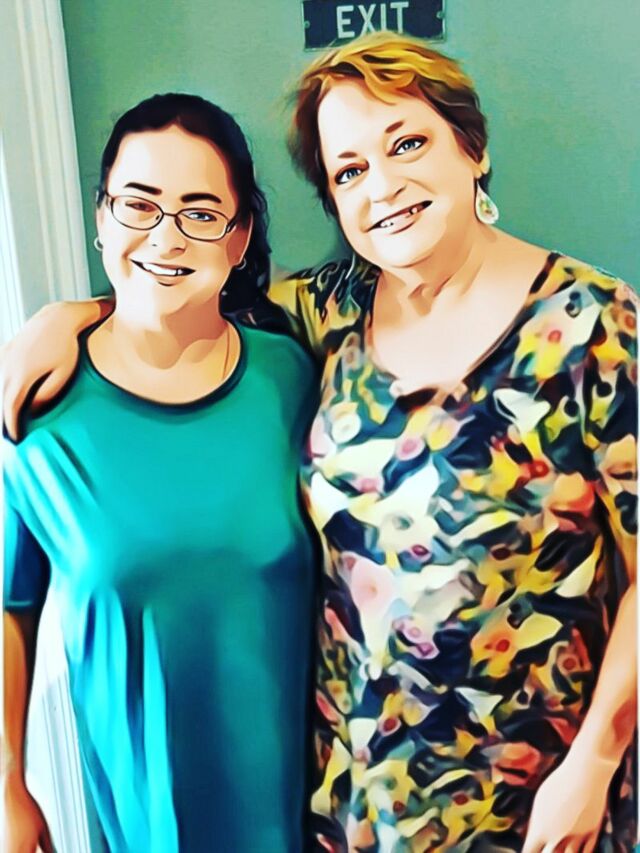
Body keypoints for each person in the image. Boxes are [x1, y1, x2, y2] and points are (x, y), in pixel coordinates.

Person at [4, 33, 636, 852]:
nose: (383, 186)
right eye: (349, 170)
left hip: (534, 799)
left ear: (472, 148)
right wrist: (68, 317)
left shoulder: (595, 324)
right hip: (350, 807)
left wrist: (597, 759)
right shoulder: (332, 312)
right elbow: (176, 287)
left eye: (407, 144)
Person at [2, 93, 319, 852]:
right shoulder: (36, 411)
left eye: (200, 213)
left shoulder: (292, 375)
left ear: (239, 237)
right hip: (143, 818)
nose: (166, 236)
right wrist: (8, 786)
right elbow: (9, 609)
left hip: (314, 809)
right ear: (102, 218)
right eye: (138, 205)